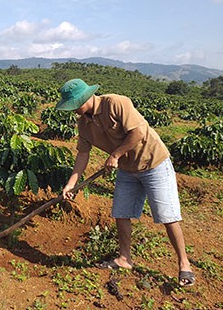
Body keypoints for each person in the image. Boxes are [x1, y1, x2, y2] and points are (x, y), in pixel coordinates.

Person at [56, 78, 195, 287]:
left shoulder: (116, 103)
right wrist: (71, 183)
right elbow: (82, 155)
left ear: (86, 97)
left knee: (168, 216)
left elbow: (138, 133)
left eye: (76, 104)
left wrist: (116, 155)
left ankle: (185, 264)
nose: (74, 110)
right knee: (121, 213)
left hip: (153, 163)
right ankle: (124, 258)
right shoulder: (83, 124)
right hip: (127, 170)